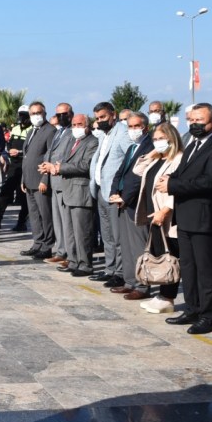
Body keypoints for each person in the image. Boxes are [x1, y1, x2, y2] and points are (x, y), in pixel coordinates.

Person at [160, 102, 212, 334]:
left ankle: (208, 316)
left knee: (205, 270)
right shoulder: (193, 144)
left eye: (199, 120)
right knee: (189, 268)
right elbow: (183, 171)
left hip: (203, 218)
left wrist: (172, 185)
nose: (194, 124)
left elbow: (209, 181)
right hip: (185, 215)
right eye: (191, 120)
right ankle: (192, 308)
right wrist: (169, 178)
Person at [131, 122, 185, 312]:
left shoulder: (178, 159)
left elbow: (176, 188)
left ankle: (168, 297)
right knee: (160, 253)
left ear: (172, 138)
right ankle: (163, 295)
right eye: (155, 139)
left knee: (170, 256)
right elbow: (137, 170)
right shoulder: (157, 159)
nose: (158, 142)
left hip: (167, 216)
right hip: (153, 214)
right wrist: (153, 153)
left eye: (162, 138)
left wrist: (165, 210)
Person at [108, 112, 153, 301]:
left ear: (145, 128)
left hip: (136, 203)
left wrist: (125, 197)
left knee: (138, 247)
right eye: (130, 127)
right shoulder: (132, 147)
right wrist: (114, 192)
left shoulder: (150, 147)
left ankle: (142, 285)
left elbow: (138, 178)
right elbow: (120, 172)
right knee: (125, 245)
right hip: (122, 202)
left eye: (137, 126)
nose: (133, 130)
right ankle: (129, 281)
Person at [89, 102, 133, 287]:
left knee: (117, 236)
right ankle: (110, 268)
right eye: (97, 118)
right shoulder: (104, 134)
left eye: (103, 117)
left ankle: (120, 272)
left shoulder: (122, 133)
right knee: (106, 234)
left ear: (113, 115)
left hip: (114, 192)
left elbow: (131, 159)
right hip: (101, 189)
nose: (100, 121)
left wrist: (122, 190)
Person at [50, 113, 99, 277]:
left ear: (87, 126)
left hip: (80, 192)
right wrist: (55, 166)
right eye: (74, 125)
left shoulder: (92, 142)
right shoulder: (72, 140)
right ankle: (73, 261)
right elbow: (65, 160)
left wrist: (61, 167)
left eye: (80, 124)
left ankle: (85, 264)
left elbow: (85, 165)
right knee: (69, 231)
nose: (76, 128)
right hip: (67, 190)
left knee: (82, 232)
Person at [19, 102, 57, 260]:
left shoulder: (50, 131)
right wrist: (23, 179)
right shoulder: (31, 131)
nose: (36, 116)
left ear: (45, 113)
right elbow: (26, 157)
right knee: (34, 215)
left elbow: (51, 157)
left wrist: (45, 179)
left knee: (45, 215)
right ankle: (37, 243)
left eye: (38, 112)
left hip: (41, 181)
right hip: (29, 181)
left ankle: (47, 246)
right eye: (33, 113)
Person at [41, 104, 74, 266]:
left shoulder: (72, 133)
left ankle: (70, 254)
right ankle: (61, 251)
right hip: (54, 181)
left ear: (71, 114)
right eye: (58, 114)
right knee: (58, 221)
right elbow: (50, 152)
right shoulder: (58, 132)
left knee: (67, 222)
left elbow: (67, 156)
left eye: (64, 114)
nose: (61, 117)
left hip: (64, 181)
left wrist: (53, 166)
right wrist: (45, 166)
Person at [0, 105, 31, 232]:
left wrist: (19, 152)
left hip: (25, 165)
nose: (22, 117)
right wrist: (8, 154)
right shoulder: (16, 128)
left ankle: (21, 223)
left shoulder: (33, 129)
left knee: (23, 196)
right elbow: (10, 143)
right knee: (5, 192)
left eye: (24, 115)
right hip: (14, 165)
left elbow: (32, 148)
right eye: (20, 115)